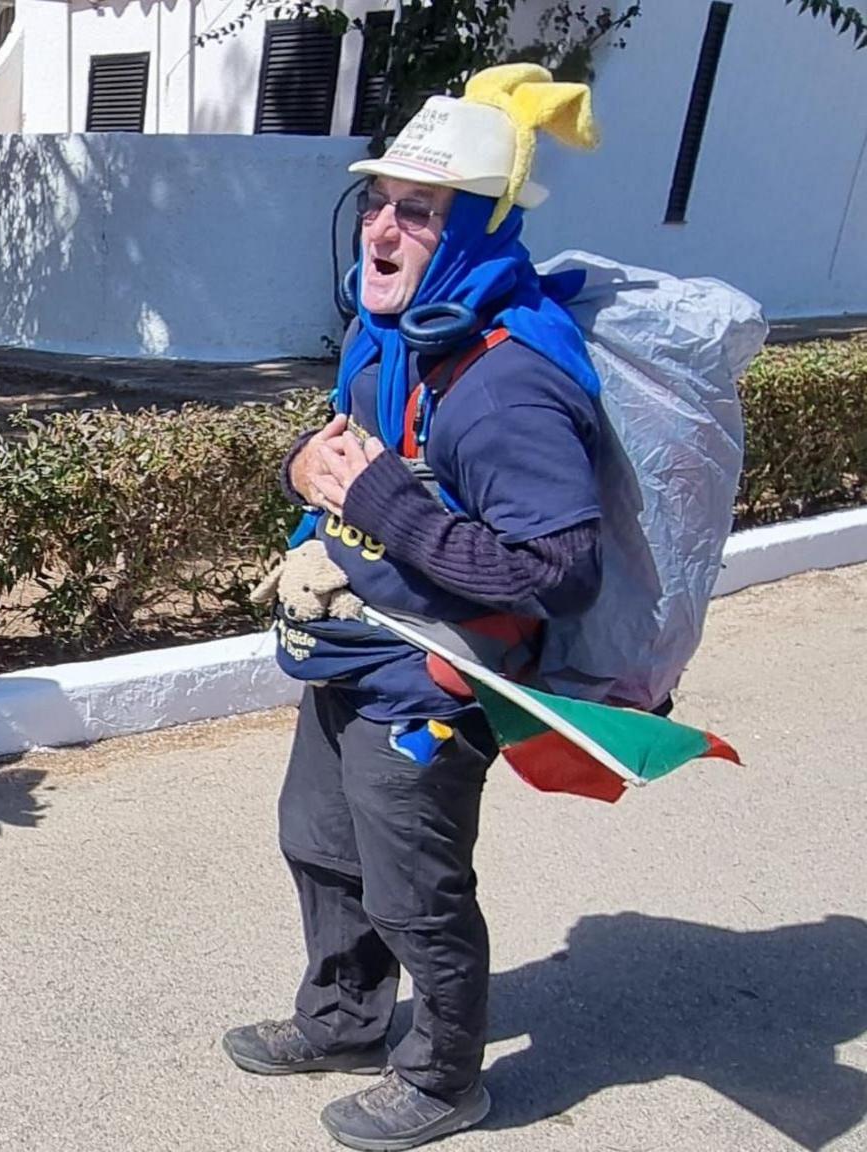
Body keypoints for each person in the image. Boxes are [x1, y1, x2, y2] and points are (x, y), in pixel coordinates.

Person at [221, 66, 604, 1150]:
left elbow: (554, 573)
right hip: (356, 643)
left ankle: (442, 1078)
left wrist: (375, 499)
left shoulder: (508, 382)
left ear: (477, 230)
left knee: (411, 886)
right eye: (378, 202)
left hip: (438, 670)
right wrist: (309, 465)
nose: (382, 229)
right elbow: (348, 449)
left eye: (418, 212)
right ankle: (344, 1019)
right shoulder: (396, 335)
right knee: (319, 842)